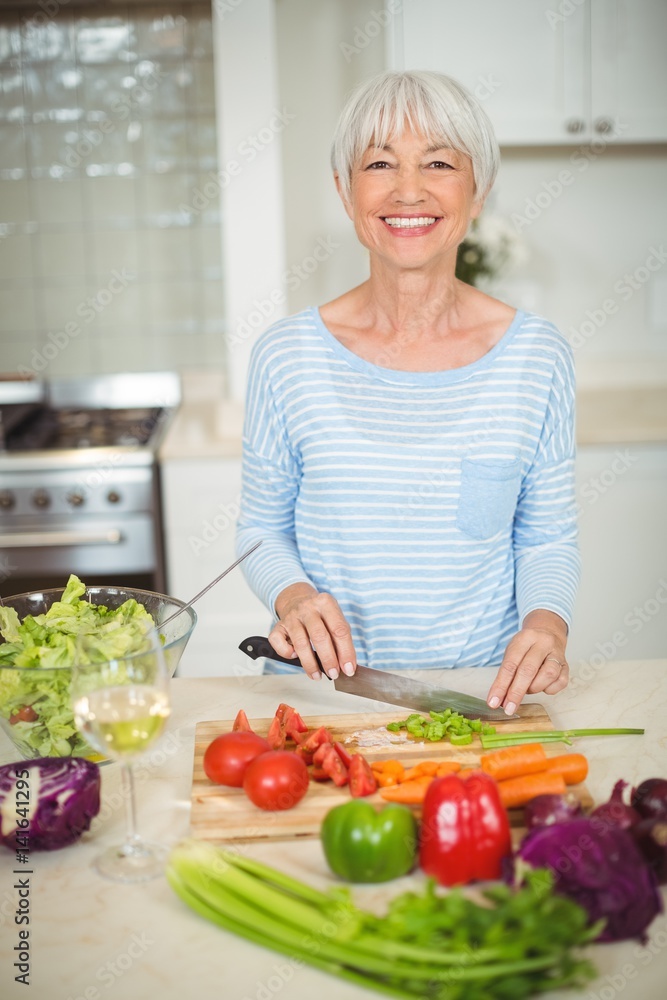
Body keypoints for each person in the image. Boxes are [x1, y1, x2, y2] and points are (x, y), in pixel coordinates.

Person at [236, 71, 578, 715]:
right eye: (380, 163)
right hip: (323, 696)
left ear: (477, 193)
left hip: (481, 695)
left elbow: (547, 536)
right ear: (345, 189)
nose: (409, 189)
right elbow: (261, 528)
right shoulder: (286, 356)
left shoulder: (538, 356)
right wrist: (293, 597)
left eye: (440, 162)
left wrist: (548, 627)